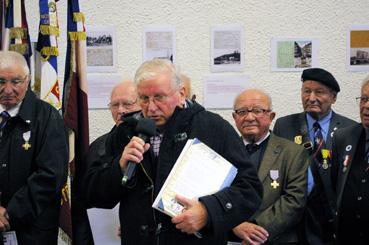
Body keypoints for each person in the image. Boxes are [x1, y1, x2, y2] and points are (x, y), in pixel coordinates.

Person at [85, 59, 263, 245]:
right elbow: (94, 195)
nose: (151, 107)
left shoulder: (213, 127)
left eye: (159, 97)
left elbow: (249, 189)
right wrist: (119, 167)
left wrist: (207, 211)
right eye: (144, 99)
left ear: (181, 94)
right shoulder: (125, 132)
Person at [273, 68, 356, 244]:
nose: (311, 98)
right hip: (294, 219)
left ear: (333, 98)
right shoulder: (284, 125)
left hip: (331, 220)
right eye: (306, 91)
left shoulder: (350, 129)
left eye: (319, 92)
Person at [0, 51, 67, 244]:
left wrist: (9, 214)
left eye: (16, 81)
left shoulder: (47, 117)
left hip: (33, 231)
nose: (8, 89)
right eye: (1, 81)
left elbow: (51, 175)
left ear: (28, 80)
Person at [231, 89, 309, 244]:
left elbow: (294, 200)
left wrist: (255, 230)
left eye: (258, 111)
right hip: (231, 236)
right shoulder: (224, 150)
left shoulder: (293, 152)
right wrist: (234, 225)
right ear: (234, 117)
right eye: (242, 111)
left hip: (274, 239)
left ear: (271, 116)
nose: (249, 117)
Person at [84, 80, 141, 243]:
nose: (120, 111)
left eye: (127, 104)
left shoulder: (154, 140)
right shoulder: (99, 146)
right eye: (115, 105)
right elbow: (89, 193)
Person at [331, 75, 369, 245]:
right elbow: (335, 183)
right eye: (364, 99)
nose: (366, 106)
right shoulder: (343, 137)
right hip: (347, 236)